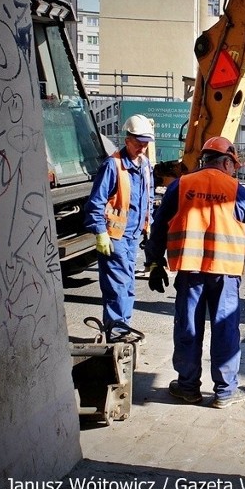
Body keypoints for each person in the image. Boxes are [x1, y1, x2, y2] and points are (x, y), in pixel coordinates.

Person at [145, 136, 245, 409]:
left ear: (204, 159)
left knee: (188, 327)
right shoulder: (236, 189)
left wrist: (154, 262)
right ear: (227, 162)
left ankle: (188, 388)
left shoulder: (182, 185)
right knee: (225, 328)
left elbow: (160, 226)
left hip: (190, 271)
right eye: (233, 165)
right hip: (225, 273)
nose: (233, 170)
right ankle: (225, 392)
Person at [84, 114, 155, 340]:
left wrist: (148, 226)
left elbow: (148, 199)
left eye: (146, 143)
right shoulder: (113, 165)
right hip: (115, 236)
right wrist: (101, 233)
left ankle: (121, 329)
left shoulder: (144, 165)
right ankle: (117, 333)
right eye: (139, 143)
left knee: (128, 285)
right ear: (128, 140)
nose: (142, 148)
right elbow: (96, 202)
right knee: (118, 286)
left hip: (132, 236)